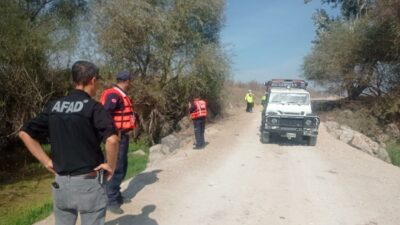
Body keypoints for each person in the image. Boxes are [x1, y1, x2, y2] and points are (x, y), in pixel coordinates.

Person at [18, 60, 119, 225]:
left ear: (74, 80)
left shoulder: (54, 106)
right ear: (93, 80)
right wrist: (111, 166)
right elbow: (112, 140)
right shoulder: (94, 107)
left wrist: (46, 162)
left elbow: (24, 133)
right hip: (89, 182)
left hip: (61, 185)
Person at [99, 71, 137, 214]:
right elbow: (105, 115)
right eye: (130, 81)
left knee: (122, 166)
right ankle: (111, 200)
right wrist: (113, 134)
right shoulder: (114, 94)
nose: (130, 83)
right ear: (126, 81)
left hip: (122, 135)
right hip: (116, 137)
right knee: (115, 167)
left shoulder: (120, 94)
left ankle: (116, 194)